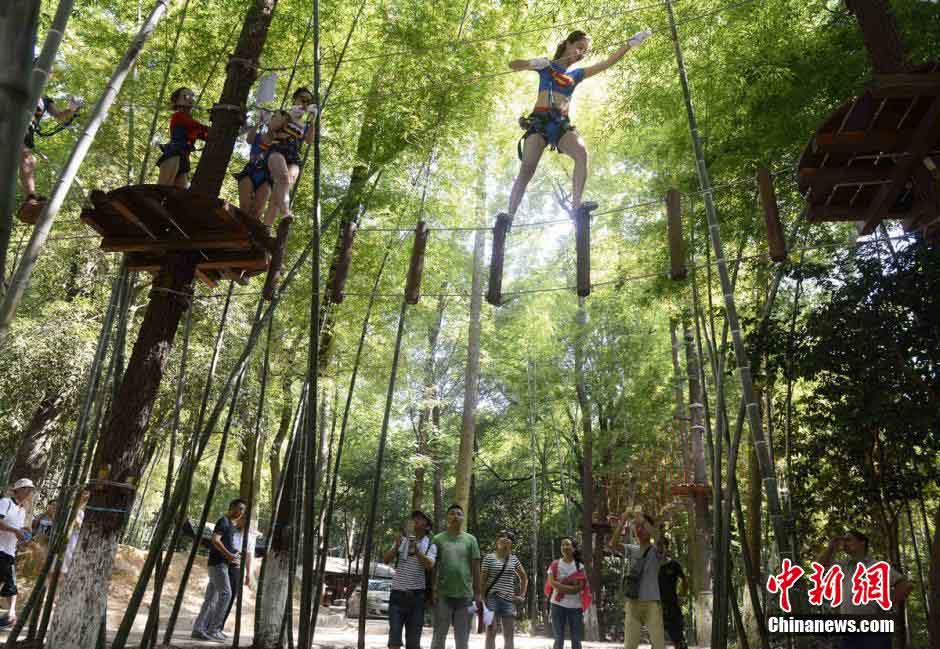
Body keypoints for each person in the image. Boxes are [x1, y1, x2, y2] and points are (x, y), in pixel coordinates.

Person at [497, 28, 652, 226]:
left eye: (584, 51)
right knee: (527, 168)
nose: (581, 53)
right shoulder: (546, 66)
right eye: (579, 47)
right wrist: (532, 63)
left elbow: (606, 63)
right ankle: (509, 216)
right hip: (539, 123)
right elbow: (512, 65)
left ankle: (576, 207)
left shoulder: (577, 74)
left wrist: (629, 44)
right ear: (568, 43)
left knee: (581, 154)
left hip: (561, 124)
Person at [817, 529, 913, 649]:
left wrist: (885, 604)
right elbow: (819, 567)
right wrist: (831, 547)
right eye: (844, 541)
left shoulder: (876, 565)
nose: (845, 543)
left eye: (848, 540)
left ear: (862, 543)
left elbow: (905, 585)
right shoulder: (843, 567)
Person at [608, 510, 666, 649]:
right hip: (632, 603)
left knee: (659, 645)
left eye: (643, 527)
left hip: (652, 603)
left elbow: (658, 538)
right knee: (630, 645)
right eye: (637, 527)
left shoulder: (656, 550)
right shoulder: (632, 549)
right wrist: (623, 521)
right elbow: (612, 545)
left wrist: (643, 520)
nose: (639, 530)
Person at [191, 498, 246, 642]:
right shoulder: (224, 521)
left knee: (211, 598)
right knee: (226, 595)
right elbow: (215, 540)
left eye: (243, 510)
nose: (241, 512)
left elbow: (225, 543)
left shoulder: (231, 525)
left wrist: (234, 553)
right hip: (218, 564)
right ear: (232, 507)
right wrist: (228, 555)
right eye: (239, 508)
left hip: (222, 564)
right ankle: (213, 630)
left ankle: (198, 629)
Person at [262, 87, 318, 228]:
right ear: (294, 99)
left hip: (293, 156)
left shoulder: (305, 123)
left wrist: (313, 121)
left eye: (308, 102)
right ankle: (286, 212)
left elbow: (309, 140)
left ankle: (266, 228)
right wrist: (290, 116)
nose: (305, 103)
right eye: (302, 99)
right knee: (282, 177)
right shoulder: (283, 113)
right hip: (277, 150)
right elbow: (272, 128)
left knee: (279, 194)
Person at [20, 87, 80, 213]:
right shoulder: (19, 86)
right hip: (8, 127)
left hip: (26, 135)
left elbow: (60, 116)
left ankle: (31, 197)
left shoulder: (45, 100)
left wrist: (71, 109)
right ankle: (31, 196)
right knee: (27, 158)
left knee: (30, 161)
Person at [382, 510, 437, 649]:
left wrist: (417, 551)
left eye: (420, 518)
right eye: (414, 518)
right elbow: (386, 560)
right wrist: (396, 546)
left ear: (427, 526)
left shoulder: (430, 544)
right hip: (397, 595)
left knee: (413, 642)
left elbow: (429, 565)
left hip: (417, 597)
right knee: (394, 640)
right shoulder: (402, 540)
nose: (415, 520)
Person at [430, 504, 482, 649]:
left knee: (462, 638)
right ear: (447, 517)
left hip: (465, 596)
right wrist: (432, 590)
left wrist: (478, 593)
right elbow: (433, 567)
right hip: (443, 594)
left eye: (459, 514)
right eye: (452, 513)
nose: (455, 516)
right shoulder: (438, 539)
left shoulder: (471, 540)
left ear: (463, 518)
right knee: (439, 635)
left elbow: (476, 568)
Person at [482, 529, 528, 649]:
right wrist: (482, 599)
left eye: (508, 537)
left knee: (509, 635)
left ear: (511, 543)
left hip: (508, 600)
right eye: (502, 536)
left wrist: (522, 595)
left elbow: (524, 577)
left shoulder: (514, 559)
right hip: (491, 598)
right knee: (491, 631)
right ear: (497, 541)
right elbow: (482, 581)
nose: (505, 539)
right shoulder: (489, 558)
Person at [0, 479, 36, 629]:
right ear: (18, 490)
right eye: (26, 489)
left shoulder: (22, 511)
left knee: (11, 584)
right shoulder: (5, 502)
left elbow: (19, 532)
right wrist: (15, 530)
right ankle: (11, 615)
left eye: (30, 490)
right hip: (0, 549)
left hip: (10, 552)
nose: (29, 492)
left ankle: (11, 615)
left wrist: (24, 536)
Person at [156, 87, 209, 188]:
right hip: (173, 154)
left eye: (192, 96)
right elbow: (198, 127)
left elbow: (205, 134)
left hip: (184, 159)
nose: (191, 99)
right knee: (163, 189)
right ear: (177, 101)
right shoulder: (178, 116)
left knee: (181, 193)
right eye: (186, 96)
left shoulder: (190, 123)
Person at [545, 537, 588, 649]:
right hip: (557, 605)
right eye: (563, 545)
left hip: (576, 607)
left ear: (573, 548)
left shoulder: (580, 566)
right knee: (558, 639)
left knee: (576, 639)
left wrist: (560, 586)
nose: (565, 547)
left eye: (567, 544)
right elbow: (551, 582)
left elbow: (579, 588)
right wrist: (570, 586)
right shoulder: (555, 564)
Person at [234, 110, 272, 219]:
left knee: (257, 211)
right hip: (251, 170)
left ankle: (249, 229)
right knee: (244, 206)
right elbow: (249, 140)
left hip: (267, 175)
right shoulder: (259, 136)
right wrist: (258, 123)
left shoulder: (278, 141)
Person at [657, 538, 688, 649]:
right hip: (656, 605)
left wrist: (682, 596)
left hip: (672, 604)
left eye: (662, 546)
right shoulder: (652, 565)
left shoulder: (674, 565)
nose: (660, 548)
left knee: (678, 637)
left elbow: (684, 579)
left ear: (667, 547)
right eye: (658, 546)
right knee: (656, 638)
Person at [59, 490, 90, 580]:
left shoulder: (84, 512)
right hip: (70, 539)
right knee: (66, 559)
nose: (85, 497)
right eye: (84, 494)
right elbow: (75, 523)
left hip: (79, 540)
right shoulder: (71, 509)